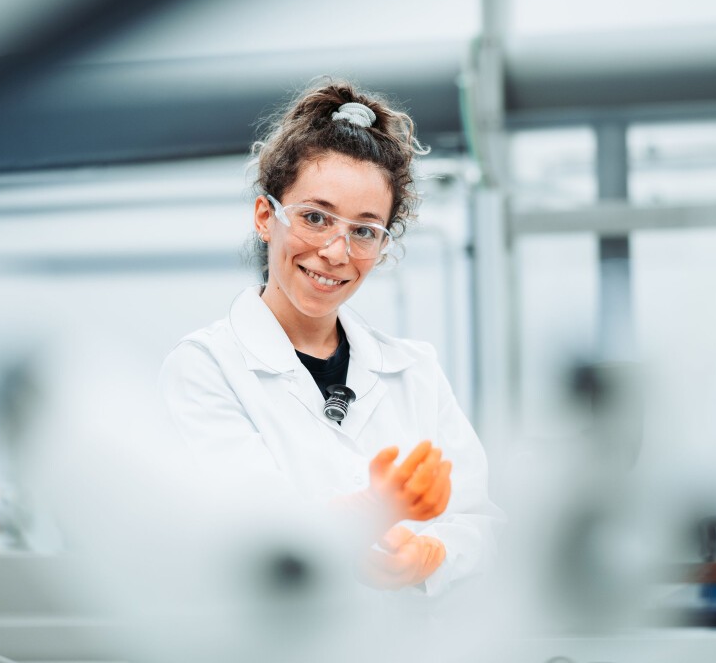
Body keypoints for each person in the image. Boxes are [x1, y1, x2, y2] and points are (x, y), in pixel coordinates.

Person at [159, 80, 501, 596]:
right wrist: (372, 510)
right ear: (264, 217)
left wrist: (436, 554)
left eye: (364, 230)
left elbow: (483, 522)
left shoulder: (414, 371)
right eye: (315, 218)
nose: (337, 252)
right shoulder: (205, 367)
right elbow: (255, 535)